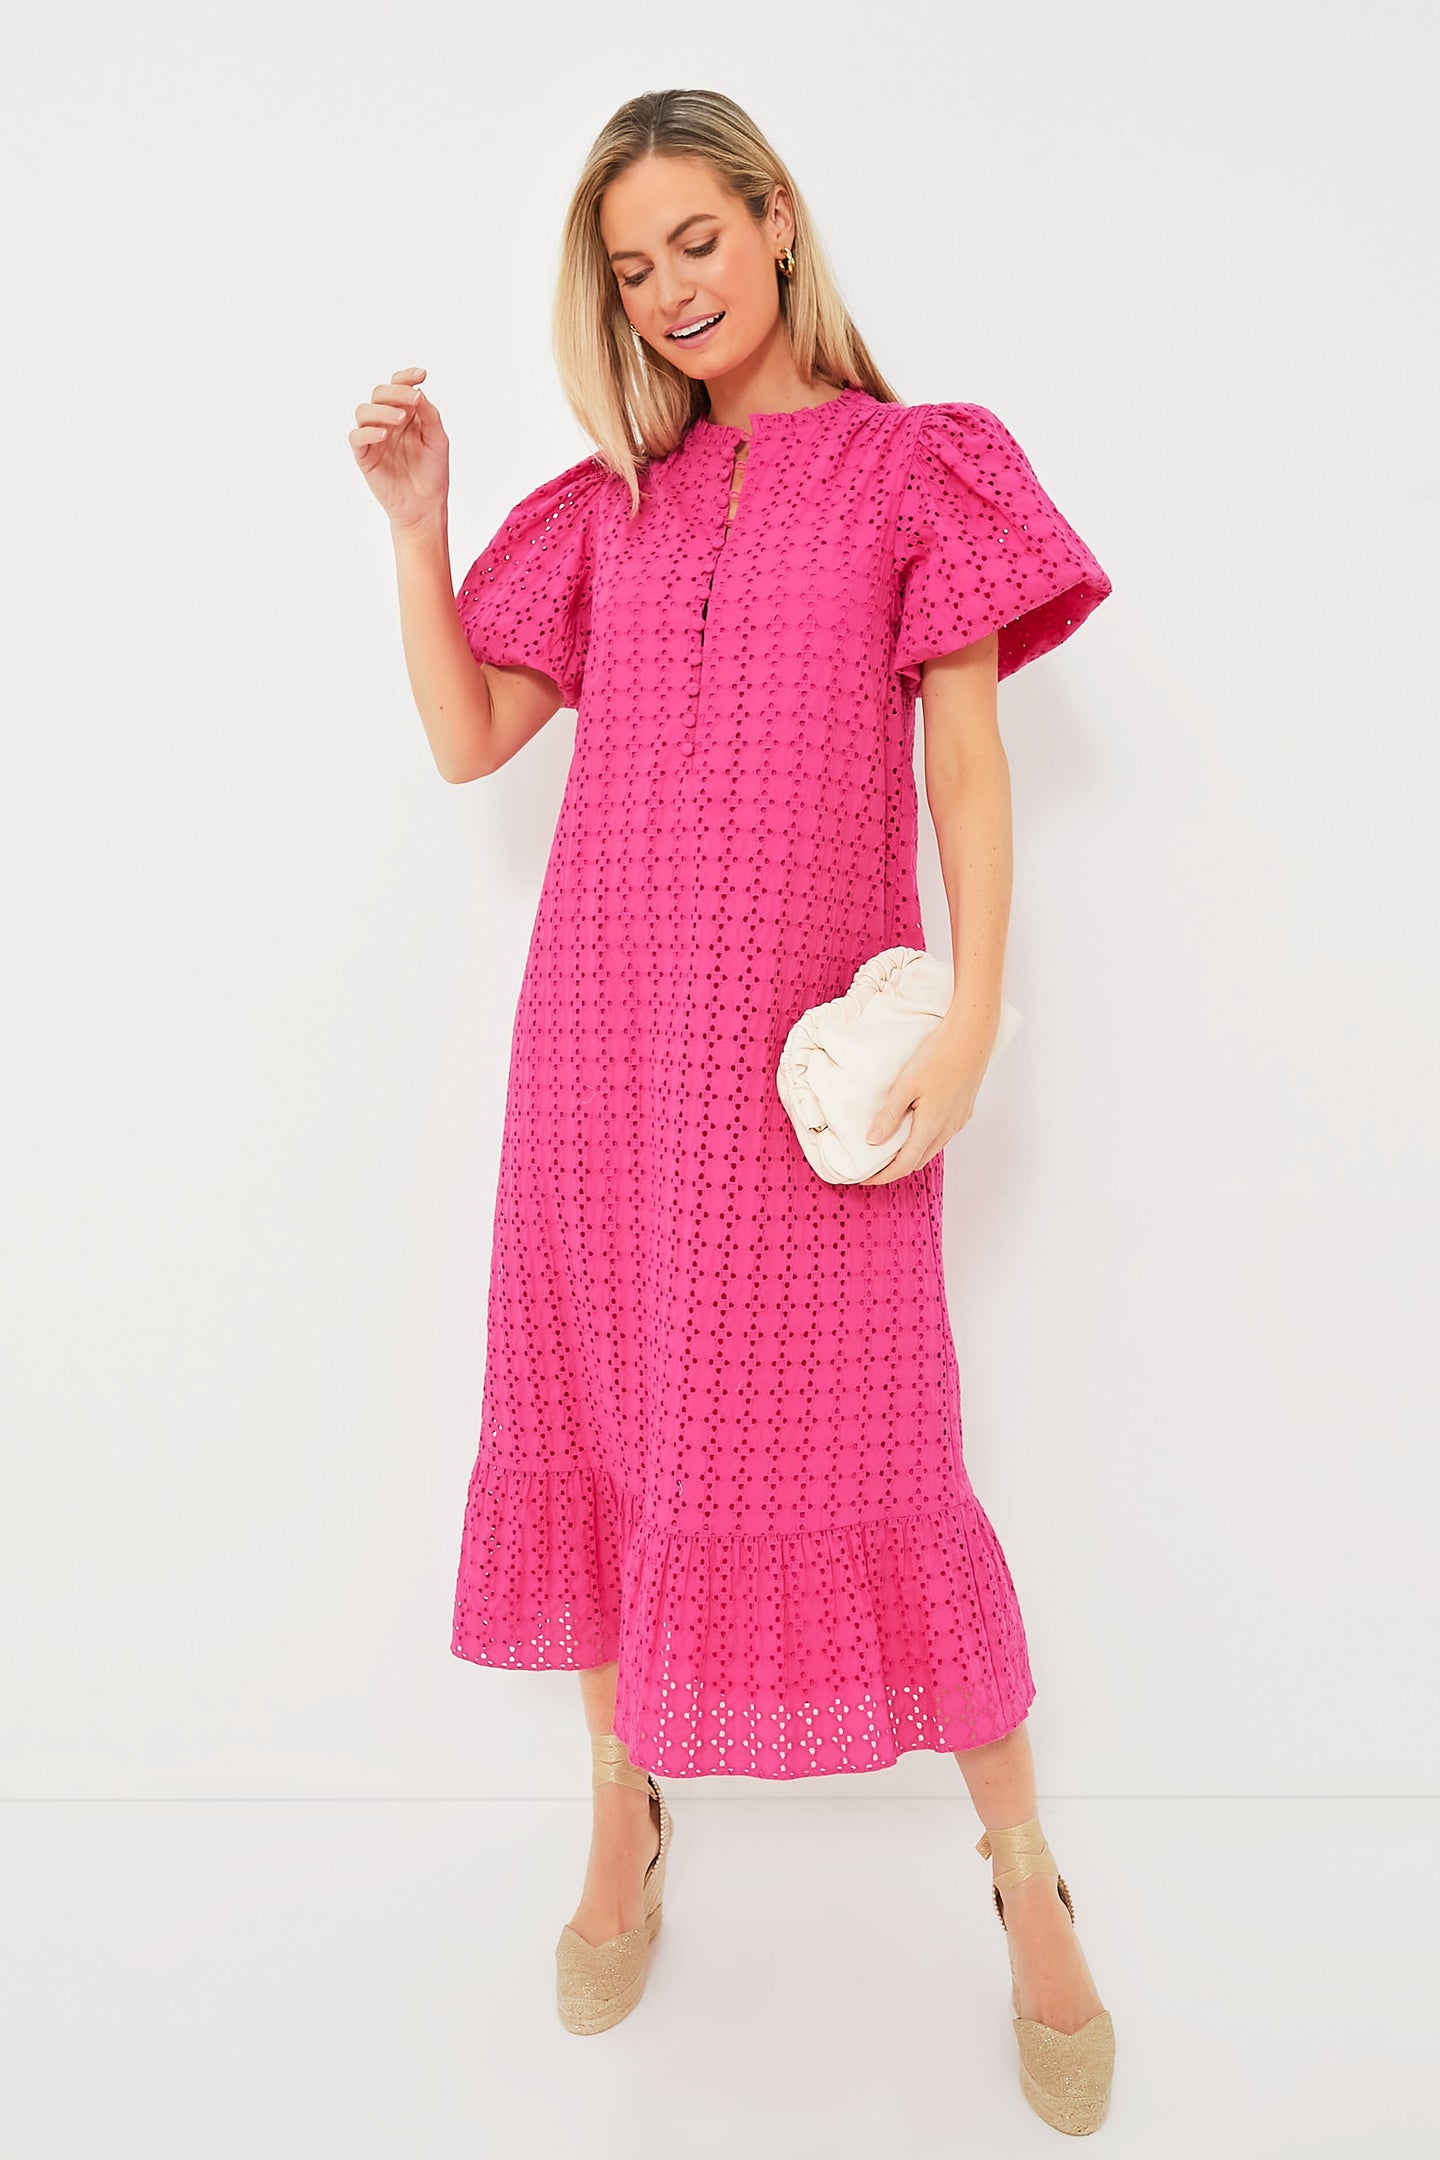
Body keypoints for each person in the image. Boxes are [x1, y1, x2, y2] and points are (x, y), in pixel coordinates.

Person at [350, 86, 1115, 2134]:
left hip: (806, 1085)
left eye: (698, 238)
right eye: (630, 267)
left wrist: (969, 1014)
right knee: (604, 1428)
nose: (671, 289)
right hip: (597, 1062)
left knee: (895, 1454)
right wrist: (419, 527)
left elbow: (968, 768)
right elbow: (466, 738)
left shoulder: (910, 471)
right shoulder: (603, 511)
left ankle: (1027, 1877)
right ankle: (624, 1820)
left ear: (776, 225)